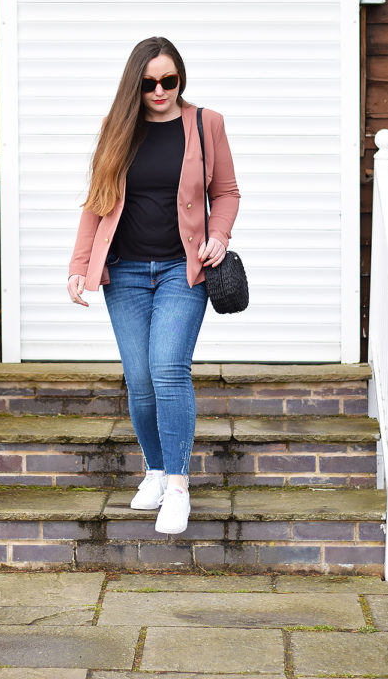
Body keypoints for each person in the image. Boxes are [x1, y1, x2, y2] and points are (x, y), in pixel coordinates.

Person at [66, 37, 240, 534]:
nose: (159, 90)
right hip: (123, 271)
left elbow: (226, 191)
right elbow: (97, 201)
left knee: (167, 368)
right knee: (140, 380)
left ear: (180, 79)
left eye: (169, 80)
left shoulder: (207, 124)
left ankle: (179, 486)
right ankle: (157, 470)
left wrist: (219, 236)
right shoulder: (115, 128)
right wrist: (80, 264)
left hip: (180, 271)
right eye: (148, 83)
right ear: (134, 85)